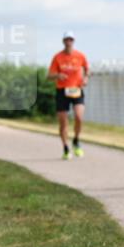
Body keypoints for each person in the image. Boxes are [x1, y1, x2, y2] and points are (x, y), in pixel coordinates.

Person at [47, 32, 90, 160]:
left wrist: (86, 78)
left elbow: (87, 69)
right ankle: (66, 147)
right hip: (62, 91)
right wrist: (58, 75)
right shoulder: (57, 57)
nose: (68, 42)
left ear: (73, 41)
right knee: (63, 122)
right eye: (66, 39)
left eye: (71, 39)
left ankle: (76, 140)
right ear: (63, 41)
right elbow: (49, 76)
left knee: (79, 116)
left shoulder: (80, 56)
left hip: (76, 89)